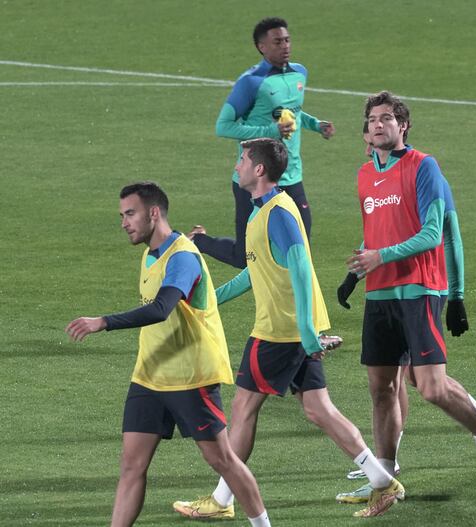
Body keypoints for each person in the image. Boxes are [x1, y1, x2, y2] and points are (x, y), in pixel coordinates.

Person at [172, 138, 404, 520]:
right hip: (291, 329)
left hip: (279, 332)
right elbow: (255, 272)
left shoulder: (279, 212)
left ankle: (222, 500)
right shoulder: (260, 212)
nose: (236, 166)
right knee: (319, 410)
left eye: (242, 160)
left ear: (259, 169)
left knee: (244, 408)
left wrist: (308, 331)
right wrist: (208, 302)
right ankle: (383, 481)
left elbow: (299, 266)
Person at [65, 182, 271, 527]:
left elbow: (161, 309)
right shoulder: (150, 254)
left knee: (222, 460)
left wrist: (103, 322)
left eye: (130, 214)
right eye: (122, 215)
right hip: (149, 375)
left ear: (154, 213)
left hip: (191, 377)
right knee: (131, 466)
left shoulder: (183, 256)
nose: (124, 223)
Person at [344, 91, 476, 497]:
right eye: (372, 119)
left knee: (430, 387)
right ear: (366, 131)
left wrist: (457, 294)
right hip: (381, 294)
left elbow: (435, 234)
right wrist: (356, 274)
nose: (378, 124)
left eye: (387, 118)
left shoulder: (424, 167)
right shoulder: (365, 175)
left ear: (403, 125)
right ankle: (383, 476)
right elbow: (377, 231)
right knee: (381, 388)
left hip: (420, 289)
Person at [191, 16, 335, 268]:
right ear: (262, 47)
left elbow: (294, 112)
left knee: (301, 254)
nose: (285, 46)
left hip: (291, 177)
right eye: (277, 42)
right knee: (244, 257)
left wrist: (316, 125)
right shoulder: (251, 82)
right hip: (254, 180)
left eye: (287, 40)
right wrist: (271, 130)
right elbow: (223, 126)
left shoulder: (300, 73)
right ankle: (201, 242)